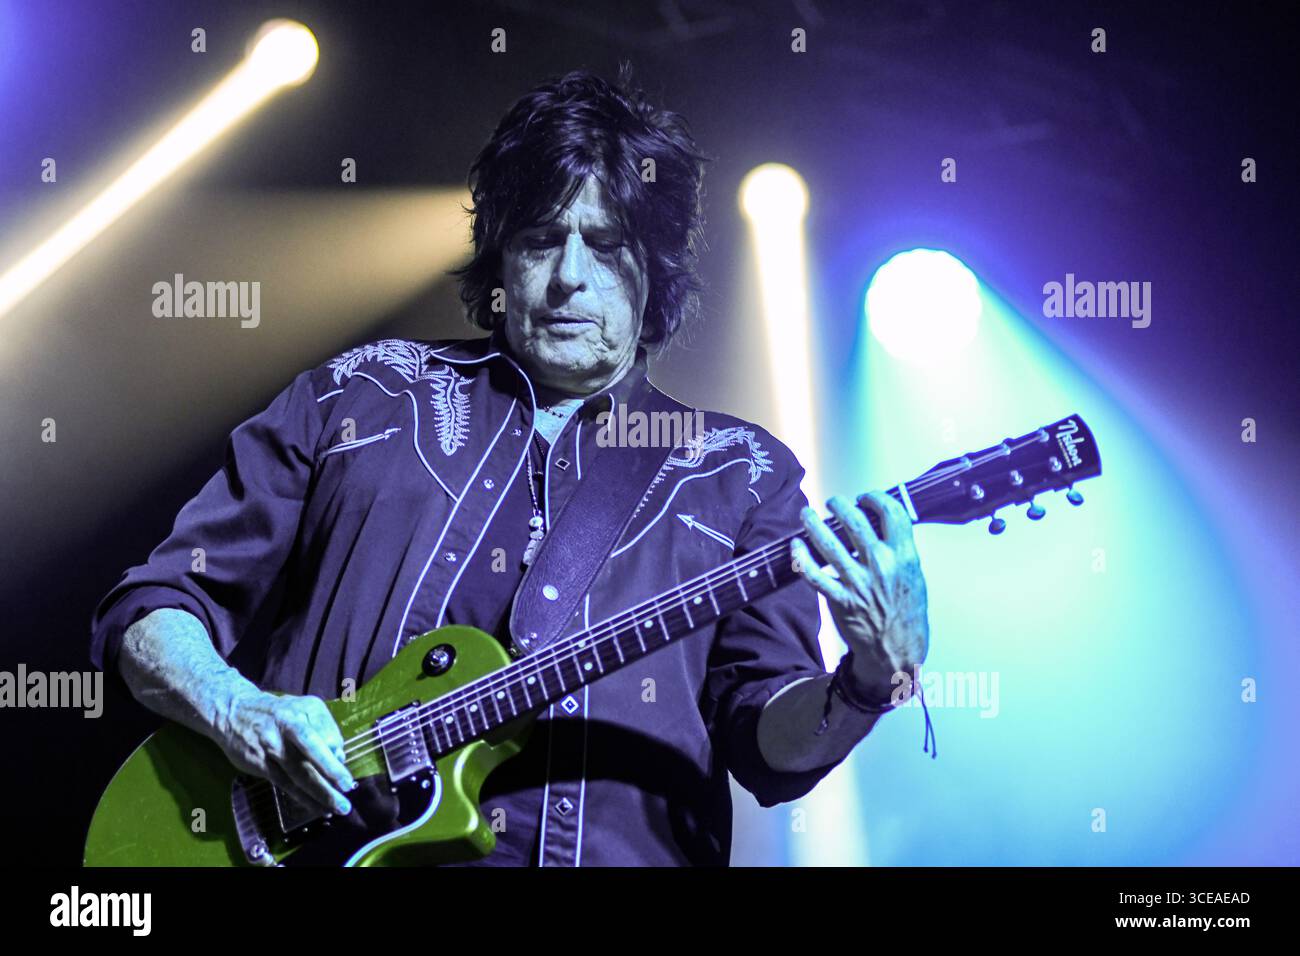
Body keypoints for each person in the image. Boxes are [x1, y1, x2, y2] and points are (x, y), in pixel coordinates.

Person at [90, 67, 930, 866]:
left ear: (656, 270)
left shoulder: (741, 473)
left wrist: (862, 683)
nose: (569, 277)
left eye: (605, 246)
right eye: (539, 242)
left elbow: (769, 747)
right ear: (499, 258)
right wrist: (239, 708)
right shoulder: (363, 394)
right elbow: (155, 607)